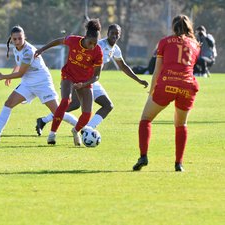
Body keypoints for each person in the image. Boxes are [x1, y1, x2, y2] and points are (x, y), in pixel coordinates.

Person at [35, 24, 148, 136]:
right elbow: (81, 46)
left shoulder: (115, 50)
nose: (114, 36)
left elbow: (123, 66)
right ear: (107, 33)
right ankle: (45, 121)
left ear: (120, 35)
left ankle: (87, 129)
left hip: (93, 80)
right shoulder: (98, 44)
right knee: (74, 104)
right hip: (80, 78)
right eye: (112, 33)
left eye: (116, 34)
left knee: (108, 106)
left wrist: (138, 80)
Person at [132, 15, 200, 172]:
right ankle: (179, 164)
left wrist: (152, 90)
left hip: (167, 84)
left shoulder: (164, 42)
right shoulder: (196, 44)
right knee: (181, 124)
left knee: (145, 119)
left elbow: (157, 70)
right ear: (189, 26)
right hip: (187, 86)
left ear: (173, 27)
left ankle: (143, 156)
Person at [0, 25, 77, 142]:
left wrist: (4, 77)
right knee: (8, 103)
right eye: (15, 39)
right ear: (11, 39)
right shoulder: (16, 48)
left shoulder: (29, 51)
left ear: (25, 37)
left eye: (20, 38)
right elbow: (19, 63)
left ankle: (84, 128)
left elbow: (20, 74)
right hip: (28, 84)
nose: (17, 41)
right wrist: (11, 73)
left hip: (42, 83)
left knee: (57, 112)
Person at [34, 19, 103, 146]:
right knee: (66, 101)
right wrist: (42, 49)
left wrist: (84, 84)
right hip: (68, 75)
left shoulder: (98, 51)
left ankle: (76, 131)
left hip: (85, 81)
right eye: (90, 43)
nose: (92, 46)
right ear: (85, 37)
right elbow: (58, 41)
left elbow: (97, 76)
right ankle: (52, 134)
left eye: (95, 43)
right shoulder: (73, 40)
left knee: (87, 113)